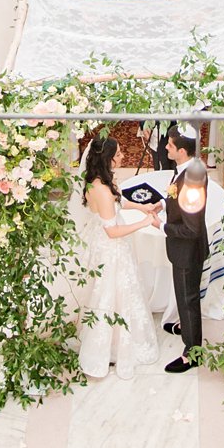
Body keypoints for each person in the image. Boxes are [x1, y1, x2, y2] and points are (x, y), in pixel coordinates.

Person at [77, 136, 161, 380]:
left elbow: (118, 200)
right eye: (119, 154)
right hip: (110, 249)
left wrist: (142, 207)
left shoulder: (99, 181)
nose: (124, 156)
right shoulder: (101, 191)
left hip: (105, 241)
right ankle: (112, 348)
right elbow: (112, 231)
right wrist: (146, 222)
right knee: (113, 294)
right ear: (108, 158)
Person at [161, 122, 209, 374]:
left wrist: (164, 227)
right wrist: (166, 204)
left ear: (182, 151)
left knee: (188, 299)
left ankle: (192, 353)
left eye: (170, 144)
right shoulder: (189, 168)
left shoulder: (191, 179)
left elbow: (192, 230)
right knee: (185, 297)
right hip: (185, 251)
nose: (166, 146)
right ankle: (185, 326)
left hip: (186, 253)